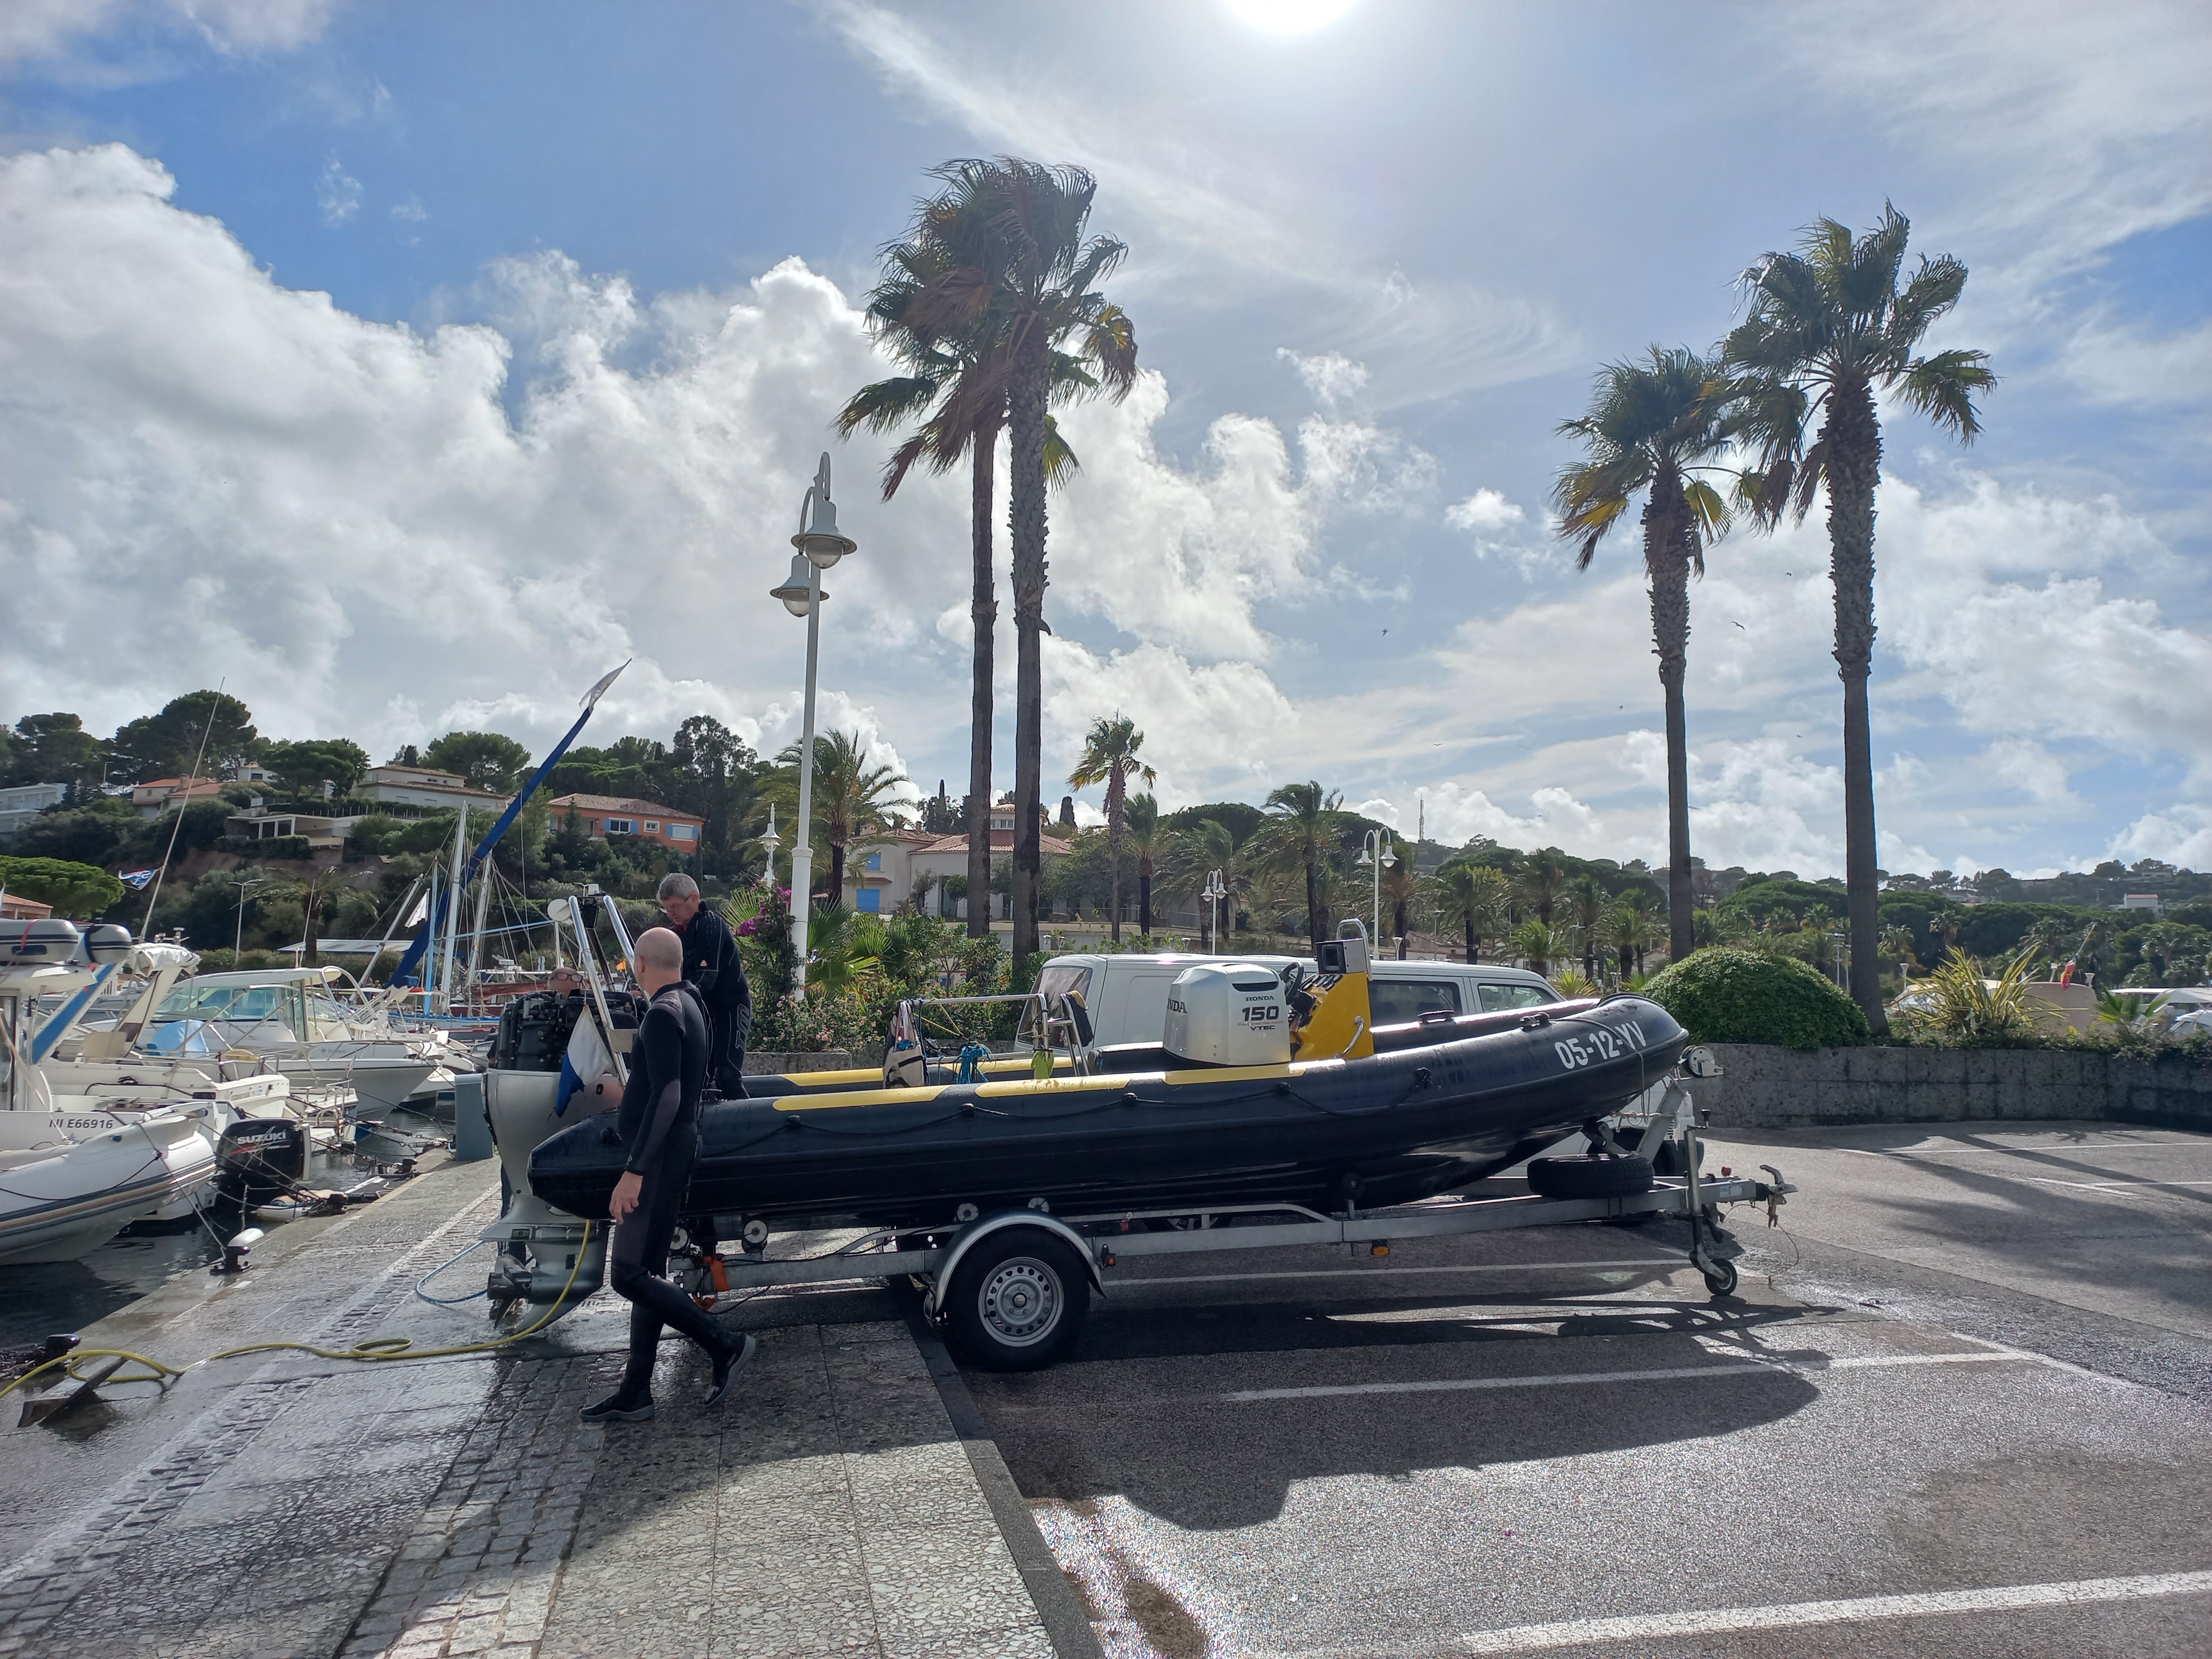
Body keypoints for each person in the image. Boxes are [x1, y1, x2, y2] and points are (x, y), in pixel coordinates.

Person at [579, 926, 754, 1423]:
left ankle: (724, 1344)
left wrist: (634, 1170)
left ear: (640, 964)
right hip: (678, 1151)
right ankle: (636, 1390)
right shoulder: (692, 1002)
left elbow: (669, 1093)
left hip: (656, 1161)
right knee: (650, 1274)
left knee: (628, 1274)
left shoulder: (660, 1013)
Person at [656, 872, 752, 1100]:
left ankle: (750, 1114)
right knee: (700, 1075)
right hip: (704, 1010)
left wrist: (674, 1001)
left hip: (730, 1008)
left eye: (675, 907)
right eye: (667, 909)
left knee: (727, 1074)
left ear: (694, 899)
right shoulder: (678, 931)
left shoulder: (710, 924)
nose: (672, 913)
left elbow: (706, 978)